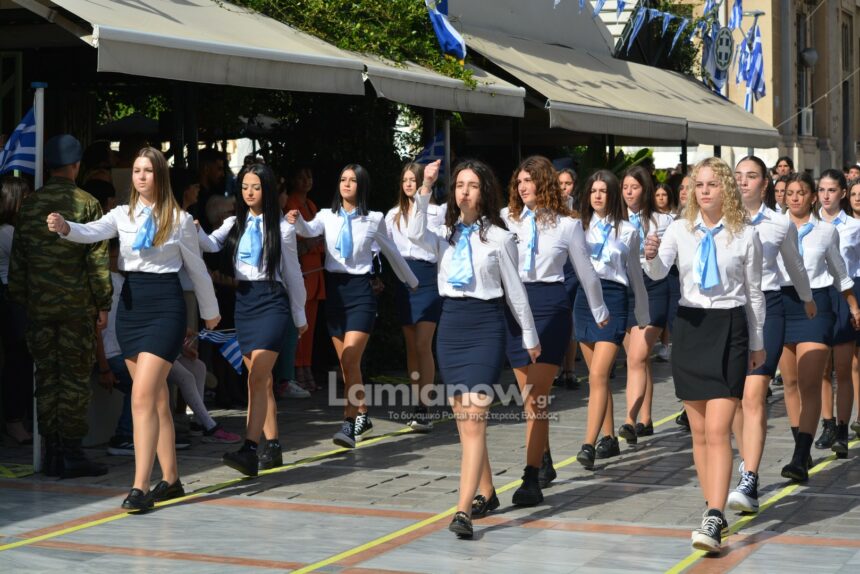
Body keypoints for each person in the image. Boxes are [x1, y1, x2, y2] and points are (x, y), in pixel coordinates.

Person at [47, 146, 220, 511]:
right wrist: (65, 228)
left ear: (160, 176)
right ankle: (171, 480)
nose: (141, 176)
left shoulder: (180, 219)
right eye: (137, 170)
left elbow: (197, 268)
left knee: (141, 397)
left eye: (148, 171)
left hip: (165, 306)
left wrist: (210, 312)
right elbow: (90, 231)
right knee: (156, 400)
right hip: (130, 306)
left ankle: (140, 486)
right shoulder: (121, 215)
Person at [408, 159, 539, 539]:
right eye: (460, 185)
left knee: (475, 417)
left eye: (473, 185)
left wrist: (529, 335)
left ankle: (462, 510)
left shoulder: (501, 238)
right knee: (464, 423)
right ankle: (486, 490)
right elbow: (414, 234)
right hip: (451, 326)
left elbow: (515, 291)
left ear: (485, 192)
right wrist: (426, 186)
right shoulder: (443, 234)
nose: (465, 191)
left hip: (485, 327)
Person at [643, 157, 766, 554]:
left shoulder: (746, 234)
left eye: (712, 184)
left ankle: (714, 515)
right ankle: (712, 505)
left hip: (730, 328)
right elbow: (657, 273)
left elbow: (754, 294)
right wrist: (650, 254)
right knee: (698, 433)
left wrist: (758, 343)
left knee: (717, 430)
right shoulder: (679, 229)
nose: (705, 190)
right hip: (690, 327)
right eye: (699, 185)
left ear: (726, 188)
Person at [501, 156, 608, 504]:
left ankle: (530, 476)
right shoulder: (506, 219)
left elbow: (586, 272)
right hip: (515, 308)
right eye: (519, 181)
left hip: (550, 305)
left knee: (537, 397)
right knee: (528, 400)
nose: (523, 187)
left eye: (529, 180)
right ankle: (542, 458)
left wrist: (599, 310)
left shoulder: (567, 225)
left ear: (544, 182)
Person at [288, 164, 418, 448]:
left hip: (361, 293)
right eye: (343, 179)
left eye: (353, 180)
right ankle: (363, 415)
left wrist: (412, 281)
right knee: (349, 366)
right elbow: (308, 230)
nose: (346, 184)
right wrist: (295, 220)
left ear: (362, 186)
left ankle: (348, 425)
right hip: (335, 294)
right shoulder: (326, 215)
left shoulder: (374, 219)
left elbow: (391, 252)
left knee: (349, 359)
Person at [8, 135, 112, 478]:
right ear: (76, 165)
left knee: (47, 379)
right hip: (76, 310)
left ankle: (52, 452)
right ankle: (71, 453)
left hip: (38, 309)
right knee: (74, 381)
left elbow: (18, 264)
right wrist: (103, 303)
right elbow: (97, 261)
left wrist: (23, 301)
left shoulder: (30, 206)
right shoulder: (87, 204)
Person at [199, 163, 307, 475]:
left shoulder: (283, 228)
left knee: (257, 378)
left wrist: (299, 315)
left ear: (267, 190)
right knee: (262, 381)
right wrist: (192, 228)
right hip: (244, 302)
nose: (249, 192)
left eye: (256, 187)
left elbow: (294, 274)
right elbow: (210, 244)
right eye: (245, 186)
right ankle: (272, 446)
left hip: (272, 302)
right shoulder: (234, 222)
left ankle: (249, 449)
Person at [727, 156, 814, 513]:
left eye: (751, 176)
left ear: (765, 184)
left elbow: (795, 266)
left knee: (754, 394)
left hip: (768, 310)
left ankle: (749, 476)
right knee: (733, 398)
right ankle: (746, 461)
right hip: (731, 312)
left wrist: (808, 299)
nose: (743, 181)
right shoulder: (720, 221)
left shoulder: (779, 224)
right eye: (738, 175)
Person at [777, 171, 859, 482]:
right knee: (790, 382)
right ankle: (802, 442)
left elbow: (839, 272)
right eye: (790, 193)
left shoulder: (826, 231)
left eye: (801, 193)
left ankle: (799, 456)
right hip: (782, 304)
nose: (795, 198)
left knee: (810, 381)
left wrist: (853, 305)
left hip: (816, 306)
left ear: (812, 197)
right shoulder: (773, 227)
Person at [575, 170, 649, 469]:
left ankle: (588, 443)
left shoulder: (628, 231)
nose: (597, 196)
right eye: (593, 190)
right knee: (598, 376)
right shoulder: (578, 227)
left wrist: (642, 314)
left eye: (603, 191)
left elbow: (636, 277)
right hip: (584, 300)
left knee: (597, 375)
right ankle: (608, 436)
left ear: (612, 195)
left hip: (614, 299)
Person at [385, 162, 445, 432]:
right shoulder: (393, 214)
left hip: (428, 278)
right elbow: (380, 246)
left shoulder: (438, 212)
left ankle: (425, 406)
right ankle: (416, 402)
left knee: (423, 344)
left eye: (413, 179)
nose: (408, 184)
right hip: (403, 279)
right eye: (405, 180)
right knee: (411, 346)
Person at [619, 166, 674, 446]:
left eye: (635, 187)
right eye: (625, 187)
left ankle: (629, 420)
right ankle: (646, 418)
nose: (629, 192)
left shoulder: (664, 220)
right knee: (639, 360)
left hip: (653, 287)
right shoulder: (614, 221)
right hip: (625, 288)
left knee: (637, 357)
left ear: (646, 189)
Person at [814, 169, 859, 457]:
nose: (826, 196)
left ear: (842, 193)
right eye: (821, 190)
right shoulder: (809, 224)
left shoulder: (854, 226)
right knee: (821, 367)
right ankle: (827, 423)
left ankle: (843, 428)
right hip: (817, 296)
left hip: (845, 294)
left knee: (843, 368)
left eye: (832, 190)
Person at [284, 164, 325, 393]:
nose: (306, 181)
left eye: (308, 176)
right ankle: (297, 369)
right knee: (301, 322)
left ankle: (306, 367)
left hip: (315, 270)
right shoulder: (291, 203)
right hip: (302, 270)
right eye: (301, 177)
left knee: (311, 323)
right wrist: (312, 242)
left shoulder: (311, 205)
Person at [0, 176, 34, 445]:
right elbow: (32, 259)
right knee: (18, 360)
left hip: (15, 298)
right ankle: (14, 420)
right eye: (27, 197)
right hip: (11, 300)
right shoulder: (7, 233)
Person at [557, 167, 580, 389]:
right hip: (555, 269)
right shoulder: (547, 208)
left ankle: (570, 369)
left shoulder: (579, 211)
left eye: (568, 183)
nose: (564, 188)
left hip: (573, 270)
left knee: (571, 319)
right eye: (560, 183)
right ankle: (555, 367)